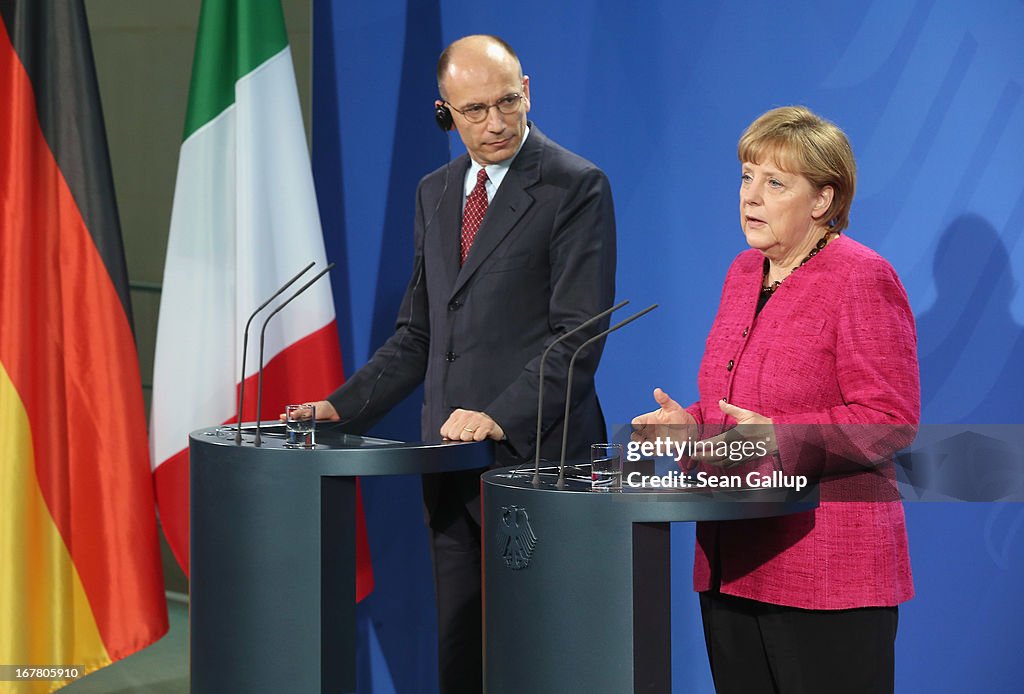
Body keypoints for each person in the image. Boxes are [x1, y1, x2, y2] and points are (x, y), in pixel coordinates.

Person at [291, 35, 616, 694]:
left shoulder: (574, 186)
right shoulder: (436, 193)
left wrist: (497, 415)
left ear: (528, 90)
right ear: (445, 112)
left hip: (538, 461)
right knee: (462, 648)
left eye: (508, 102)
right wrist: (340, 407)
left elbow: (576, 337)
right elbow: (418, 333)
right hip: (447, 463)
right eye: (475, 111)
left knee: (538, 656)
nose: (496, 123)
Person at [632, 106, 918, 693]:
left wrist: (779, 438)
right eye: (746, 177)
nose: (750, 197)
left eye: (774, 183)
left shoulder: (862, 277)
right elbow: (733, 403)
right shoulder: (744, 272)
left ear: (822, 200)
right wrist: (690, 425)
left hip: (827, 571)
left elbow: (889, 421)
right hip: (731, 561)